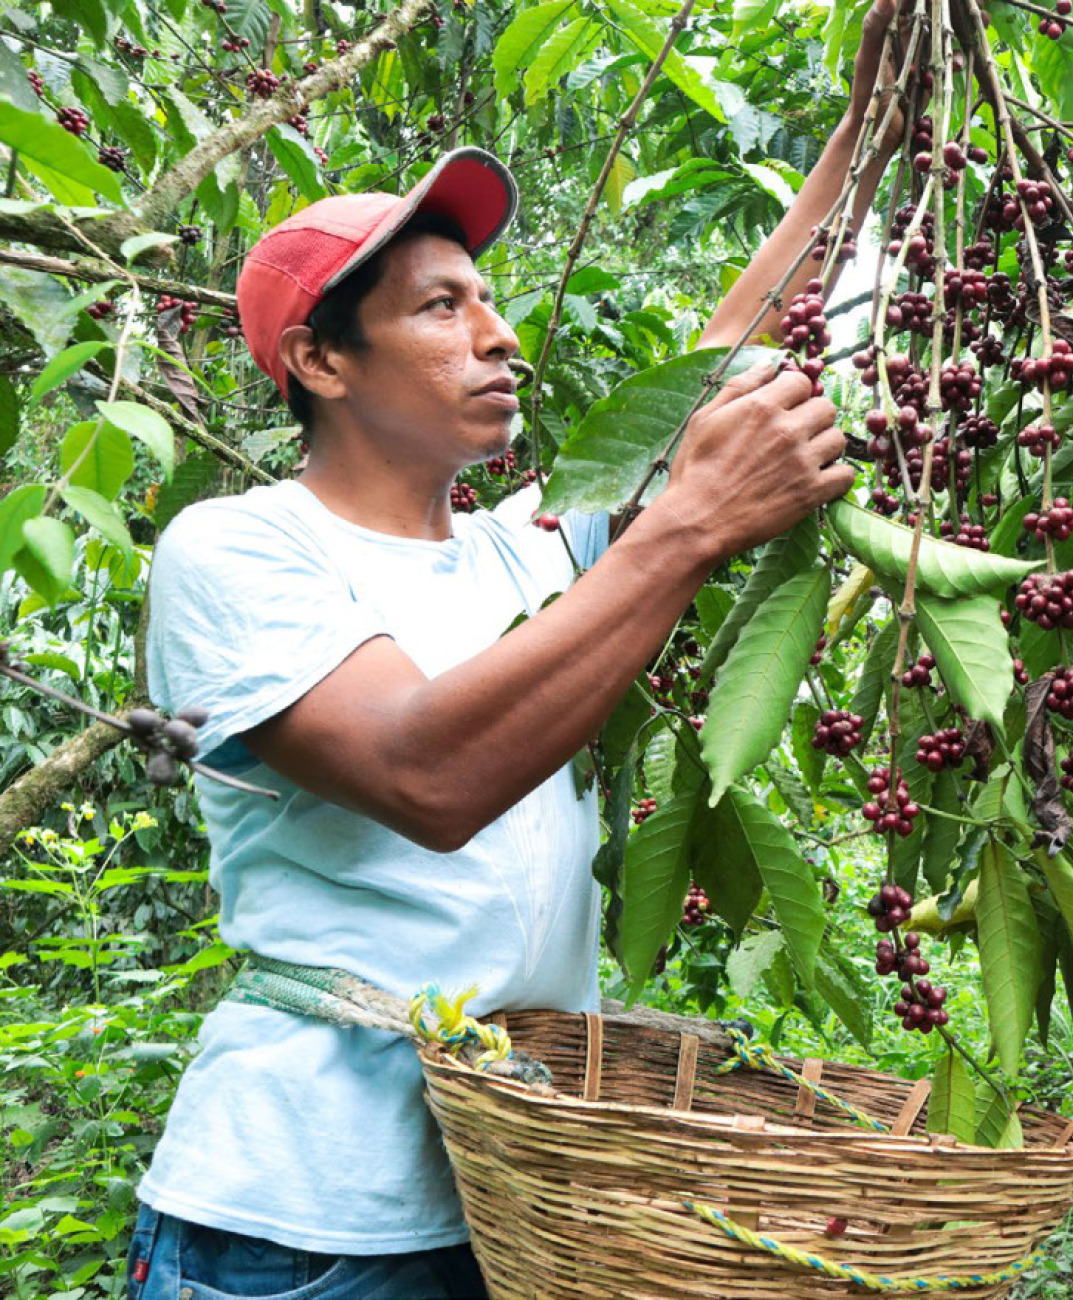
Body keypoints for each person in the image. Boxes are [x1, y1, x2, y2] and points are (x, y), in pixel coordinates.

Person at [120, 5, 903, 1296]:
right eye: (442, 306)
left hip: (515, 1215)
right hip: (295, 1230)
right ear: (319, 357)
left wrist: (872, 133)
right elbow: (426, 769)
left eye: (491, 299)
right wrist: (692, 526)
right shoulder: (234, 551)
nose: (500, 336)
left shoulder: (525, 560)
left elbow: (722, 367)